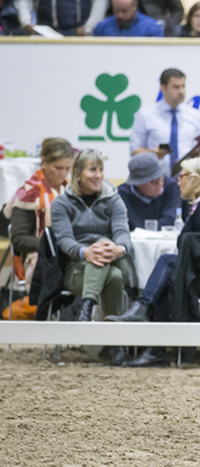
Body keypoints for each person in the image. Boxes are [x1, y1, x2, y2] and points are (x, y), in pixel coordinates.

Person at [116, 159, 200, 366]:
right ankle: (154, 349)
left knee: (168, 263)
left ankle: (142, 311)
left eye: (182, 176)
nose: (177, 182)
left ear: (196, 178)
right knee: (168, 277)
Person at [50, 150, 133, 364]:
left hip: (113, 258)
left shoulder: (113, 199)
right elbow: (65, 240)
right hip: (77, 269)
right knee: (113, 277)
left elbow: (123, 232)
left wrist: (119, 248)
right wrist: (85, 251)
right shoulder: (61, 203)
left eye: (101, 170)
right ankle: (117, 345)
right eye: (92, 170)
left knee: (103, 249)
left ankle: (86, 308)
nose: (98, 175)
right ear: (77, 173)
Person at [3, 137, 73, 266]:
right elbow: (19, 238)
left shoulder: (72, 191)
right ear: (44, 162)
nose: (63, 173)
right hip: (39, 253)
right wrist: (57, 245)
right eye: (58, 168)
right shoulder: (29, 194)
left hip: (71, 251)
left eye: (67, 168)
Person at [129, 68, 200, 179]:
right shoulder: (145, 115)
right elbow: (134, 151)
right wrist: (152, 153)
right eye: (176, 87)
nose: (181, 92)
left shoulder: (195, 116)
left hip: (187, 179)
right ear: (163, 88)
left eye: (183, 86)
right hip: (155, 180)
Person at [116, 152, 181, 231]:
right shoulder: (121, 195)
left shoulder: (172, 187)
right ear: (138, 183)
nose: (160, 184)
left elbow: (170, 220)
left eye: (161, 177)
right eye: (154, 181)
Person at [92, 0, 164, 37]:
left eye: (124, 11)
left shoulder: (152, 29)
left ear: (135, 6)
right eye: (116, 10)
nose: (120, 15)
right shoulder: (101, 28)